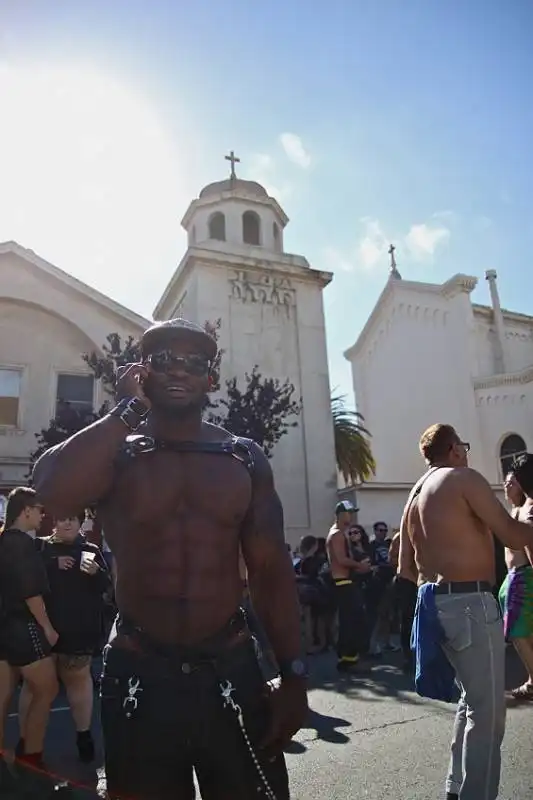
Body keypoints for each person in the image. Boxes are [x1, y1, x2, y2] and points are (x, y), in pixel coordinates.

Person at [33, 318, 307, 800]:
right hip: (141, 667)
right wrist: (128, 410)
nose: (178, 370)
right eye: (163, 360)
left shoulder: (242, 458)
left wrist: (292, 673)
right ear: (142, 371)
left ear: (211, 378)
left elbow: (270, 571)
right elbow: (50, 494)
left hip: (230, 663)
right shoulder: (117, 455)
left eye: (194, 362)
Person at [399, 423, 533, 800]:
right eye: (465, 447)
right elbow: (510, 533)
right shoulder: (463, 479)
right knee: (489, 715)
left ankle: (455, 788)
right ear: (455, 449)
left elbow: (403, 568)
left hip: (432, 603)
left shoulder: (415, 493)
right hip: (471, 602)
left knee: (470, 700)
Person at [19, 513, 110, 762]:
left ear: (81, 524)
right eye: (62, 519)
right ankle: (26, 741)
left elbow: (106, 588)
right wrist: (51, 565)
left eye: (72, 519)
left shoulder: (90, 549)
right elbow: (23, 583)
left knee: (78, 684)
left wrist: (96, 573)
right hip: (41, 632)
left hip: (78, 631)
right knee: (35, 687)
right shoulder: (40, 547)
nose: (67, 523)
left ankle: (84, 736)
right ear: (54, 522)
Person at [498, 459, 533, 701]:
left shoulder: (528, 507)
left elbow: (529, 541)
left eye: (511, 483)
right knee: (523, 633)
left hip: (523, 576)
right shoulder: (514, 511)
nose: (506, 487)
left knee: (518, 632)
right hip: (513, 577)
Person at [326, 501, 371, 671]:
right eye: (348, 513)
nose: (351, 516)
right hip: (343, 583)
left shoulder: (341, 533)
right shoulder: (337, 534)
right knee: (350, 622)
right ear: (340, 514)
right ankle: (348, 659)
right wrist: (360, 566)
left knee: (352, 621)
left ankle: (350, 657)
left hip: (347, 581)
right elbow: (341, 559)